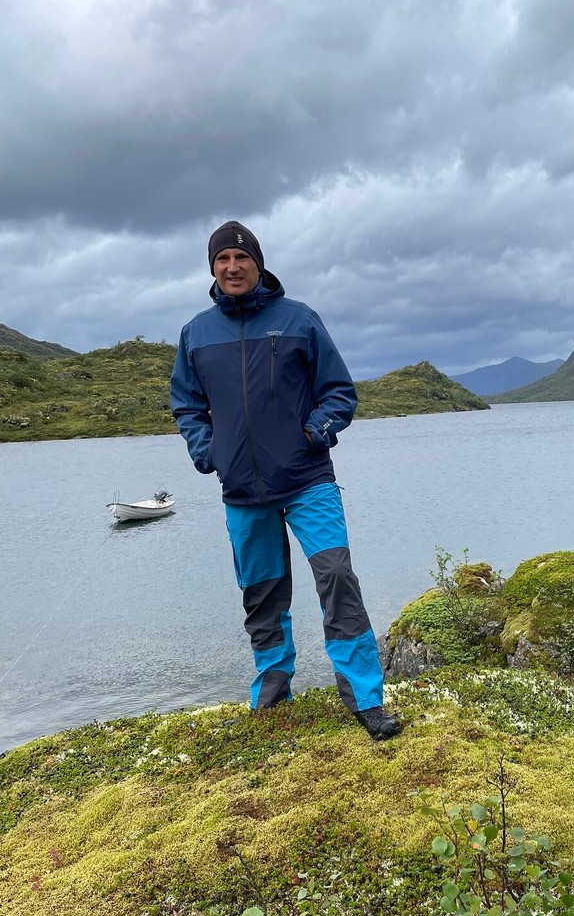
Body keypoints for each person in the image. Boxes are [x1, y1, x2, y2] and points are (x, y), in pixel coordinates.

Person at [170, 220, 401, 741]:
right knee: (262, 595)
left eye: (241, 258)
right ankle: (273, 696)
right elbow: (186, 405)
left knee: (337, 580)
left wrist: (314, 433)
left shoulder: (299, 319)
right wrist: (208, 451)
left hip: (307, 480)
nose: (232, 267)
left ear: (259, 263)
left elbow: (339, 391)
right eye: (222, 259)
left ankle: (366, 701)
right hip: (242, 492)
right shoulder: (196, 333)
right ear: (212, 268)